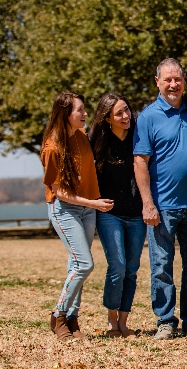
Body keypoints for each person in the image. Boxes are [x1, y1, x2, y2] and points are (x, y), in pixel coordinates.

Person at [133, 58, 187, 340]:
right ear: (157, 82)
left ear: (184, 80)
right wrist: (147, 202)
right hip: (162, 206)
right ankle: (165, 320)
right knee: (161, 265)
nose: (173, 84)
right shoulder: (148, 116)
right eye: (167, 80)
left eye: (177, 79)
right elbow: (140, 161)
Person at [42, 90, 114, 340]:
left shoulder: (82, 135)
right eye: (80, 110)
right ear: (65, 114)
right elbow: (59, 191)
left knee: (76, 265)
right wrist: (93, 204)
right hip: (65, 209)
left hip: (87, 207)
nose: (85, 114)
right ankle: (58, 314)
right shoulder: (52, 147)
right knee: (84, 264)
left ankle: (72, 320)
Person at [89, 93, 145, 338]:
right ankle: (112, 322)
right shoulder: (97, 142)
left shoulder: (138, 137)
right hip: (109, 213)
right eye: (119, 113)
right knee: (118, 266)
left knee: (132, 268)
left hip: (136, 213)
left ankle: (124, 322)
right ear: (106, 118)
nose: (126, 117)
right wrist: (94, 202)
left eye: (127, 111)